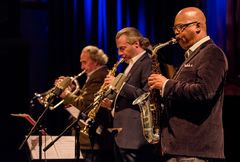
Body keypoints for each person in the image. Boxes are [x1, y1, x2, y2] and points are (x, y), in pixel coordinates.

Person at [148, 7, 228, 162]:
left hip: (195, 151)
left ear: (198, 26)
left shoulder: (212, 53)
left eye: (181, 27)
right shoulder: (191, 57)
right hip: (180, 148)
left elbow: (204, 92)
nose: (176, 33)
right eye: (175, 28)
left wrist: (166, 85)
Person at [101, 27, 160, 162]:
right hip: (123, 135)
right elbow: (127, 96)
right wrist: (112, 104)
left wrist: (117, 83)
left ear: (136, 44)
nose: (119, 53)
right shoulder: (131, 65)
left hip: (135, 137)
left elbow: (147, 95)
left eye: (122, 48)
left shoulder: (148, 62)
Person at [55, 45, 114, 162]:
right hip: (89, 140)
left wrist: (67, 95)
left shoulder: (100, 77)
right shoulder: (97, 75)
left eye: (84, 62)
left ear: (96, 62)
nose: (82, 67)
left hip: (93, 140)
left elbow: (86, 106)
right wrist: (72, 91)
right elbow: (87, 100)